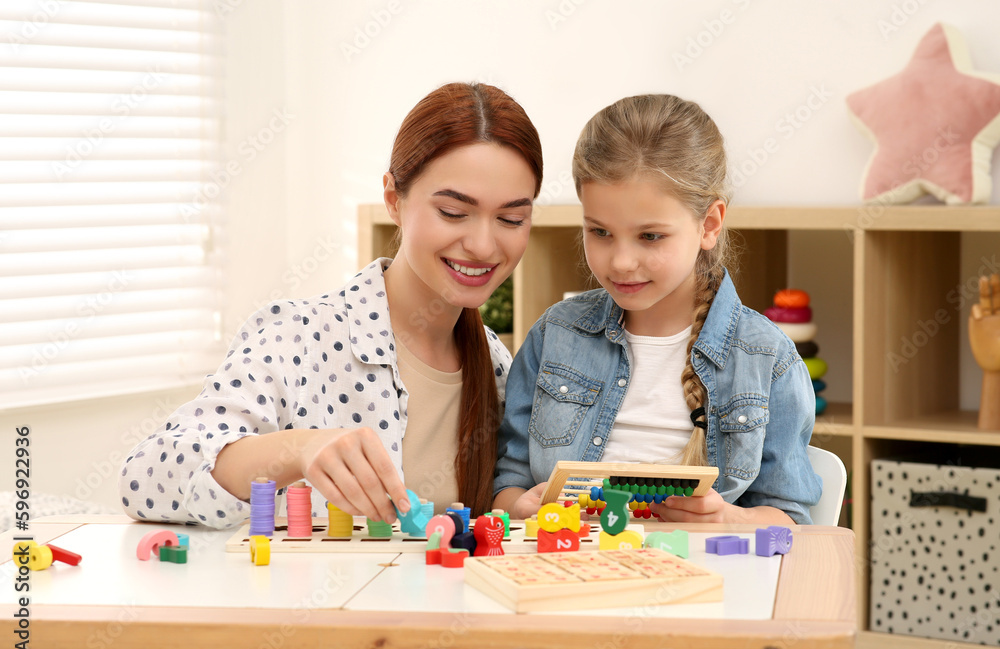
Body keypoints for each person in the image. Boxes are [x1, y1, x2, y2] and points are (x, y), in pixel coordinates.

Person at [120, 82, 543, 528]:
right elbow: (145, 479)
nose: (482, 245)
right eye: (454, 213)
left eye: (511, 219)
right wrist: (300, 449)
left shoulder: (497, 366)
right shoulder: (298, 337)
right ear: (394, 200)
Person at [493, 94, 821, 525]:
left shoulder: (767, 357)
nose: (621, 261)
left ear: (709, 225)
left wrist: (726, 517)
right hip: (572, 572)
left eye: (650, 236)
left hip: (704, 580)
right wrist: (517, 506)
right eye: (601, 232)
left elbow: (791, 519)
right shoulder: (554, 336)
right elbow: (505, 486)